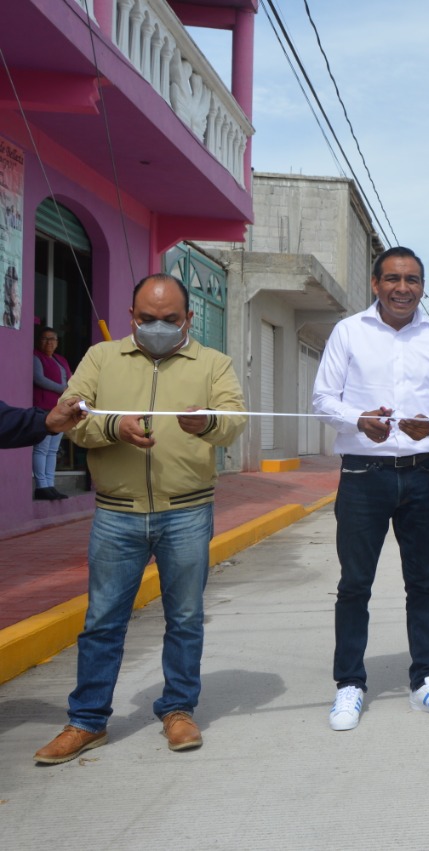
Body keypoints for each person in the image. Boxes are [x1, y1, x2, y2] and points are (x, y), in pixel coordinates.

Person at [34, 274, 247, 764]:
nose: (157, 327)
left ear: (189, 318)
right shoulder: (101, 358)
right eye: (147, 318)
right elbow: (71, 417)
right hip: (117, 513)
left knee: (186, 618)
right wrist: (114, 427)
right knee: (102, 621)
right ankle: (87, 720)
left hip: (187, 510)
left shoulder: (213, 363)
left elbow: (235, 419)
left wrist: (207, 423)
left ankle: (178, 709)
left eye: (170, 319)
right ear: (131, 316)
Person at [312, 246, 429, 731]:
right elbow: (322, 398)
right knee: (354, 584)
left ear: (423, 286)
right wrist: (357, 420)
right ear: (376, 284)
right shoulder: (349, 332)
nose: (403, 288)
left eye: (413, 280)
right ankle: (349, 684)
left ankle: (426, 680)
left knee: (423, 582)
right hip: (363, 474)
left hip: (422, 473)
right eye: (394, 279)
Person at [32, 326, 73, 500]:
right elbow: (39, 379)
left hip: (61, 408)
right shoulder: (35, 356)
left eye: (53, 339)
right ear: (38, 341)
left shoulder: (60, 359)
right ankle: (41, 485)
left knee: (53, 449)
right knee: (41, 448)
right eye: (45, 338)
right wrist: (63, 389)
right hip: (44, 407)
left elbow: (70, 379)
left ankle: (50, 484)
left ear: (57, 342)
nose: (49, 342)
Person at [1, 397, 85, 450]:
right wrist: (44, 421)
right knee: (43, 450)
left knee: (52, 450)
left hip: (47, 418)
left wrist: (46, 422)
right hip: (45, 408)